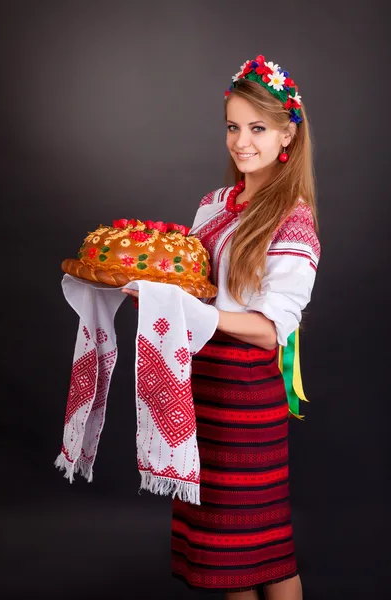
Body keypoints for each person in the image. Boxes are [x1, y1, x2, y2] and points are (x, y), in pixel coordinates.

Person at [124, 54, 320, 599]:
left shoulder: (292, 217)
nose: (241, 141)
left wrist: (195, 314)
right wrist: (153, 292)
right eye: (233, 127)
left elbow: (271, 329)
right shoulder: (212, 205)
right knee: (222, 558)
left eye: (257, 128)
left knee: (265, 551)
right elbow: (194, 286)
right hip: (199, 386)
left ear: (287, 135)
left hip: (244, 397)